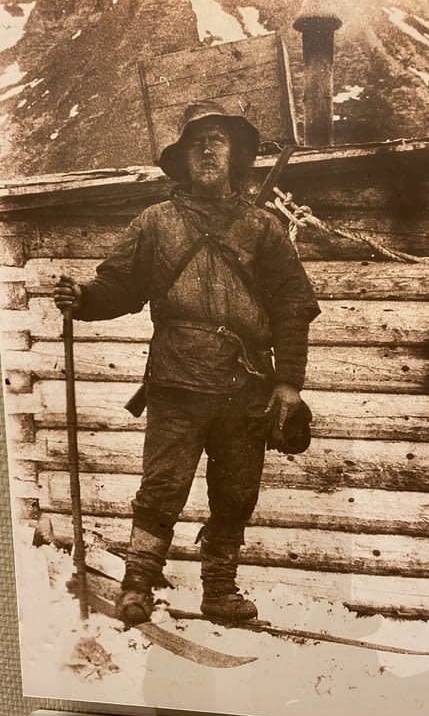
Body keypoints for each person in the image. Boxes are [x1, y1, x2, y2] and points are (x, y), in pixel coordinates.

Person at [53, 100, 320, 626]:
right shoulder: (156, 222)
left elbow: (293, 309)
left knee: (237, 494)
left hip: (247, 389)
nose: (206, 148)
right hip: (176, 380)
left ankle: (219, 592)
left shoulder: (263, 228)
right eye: (196, 142)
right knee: (162, 489)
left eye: (217, 139)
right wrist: (83, 298)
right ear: (183, 159)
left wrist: (288, 388)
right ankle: (137, 588)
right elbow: (118, 287)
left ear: (236, 155)